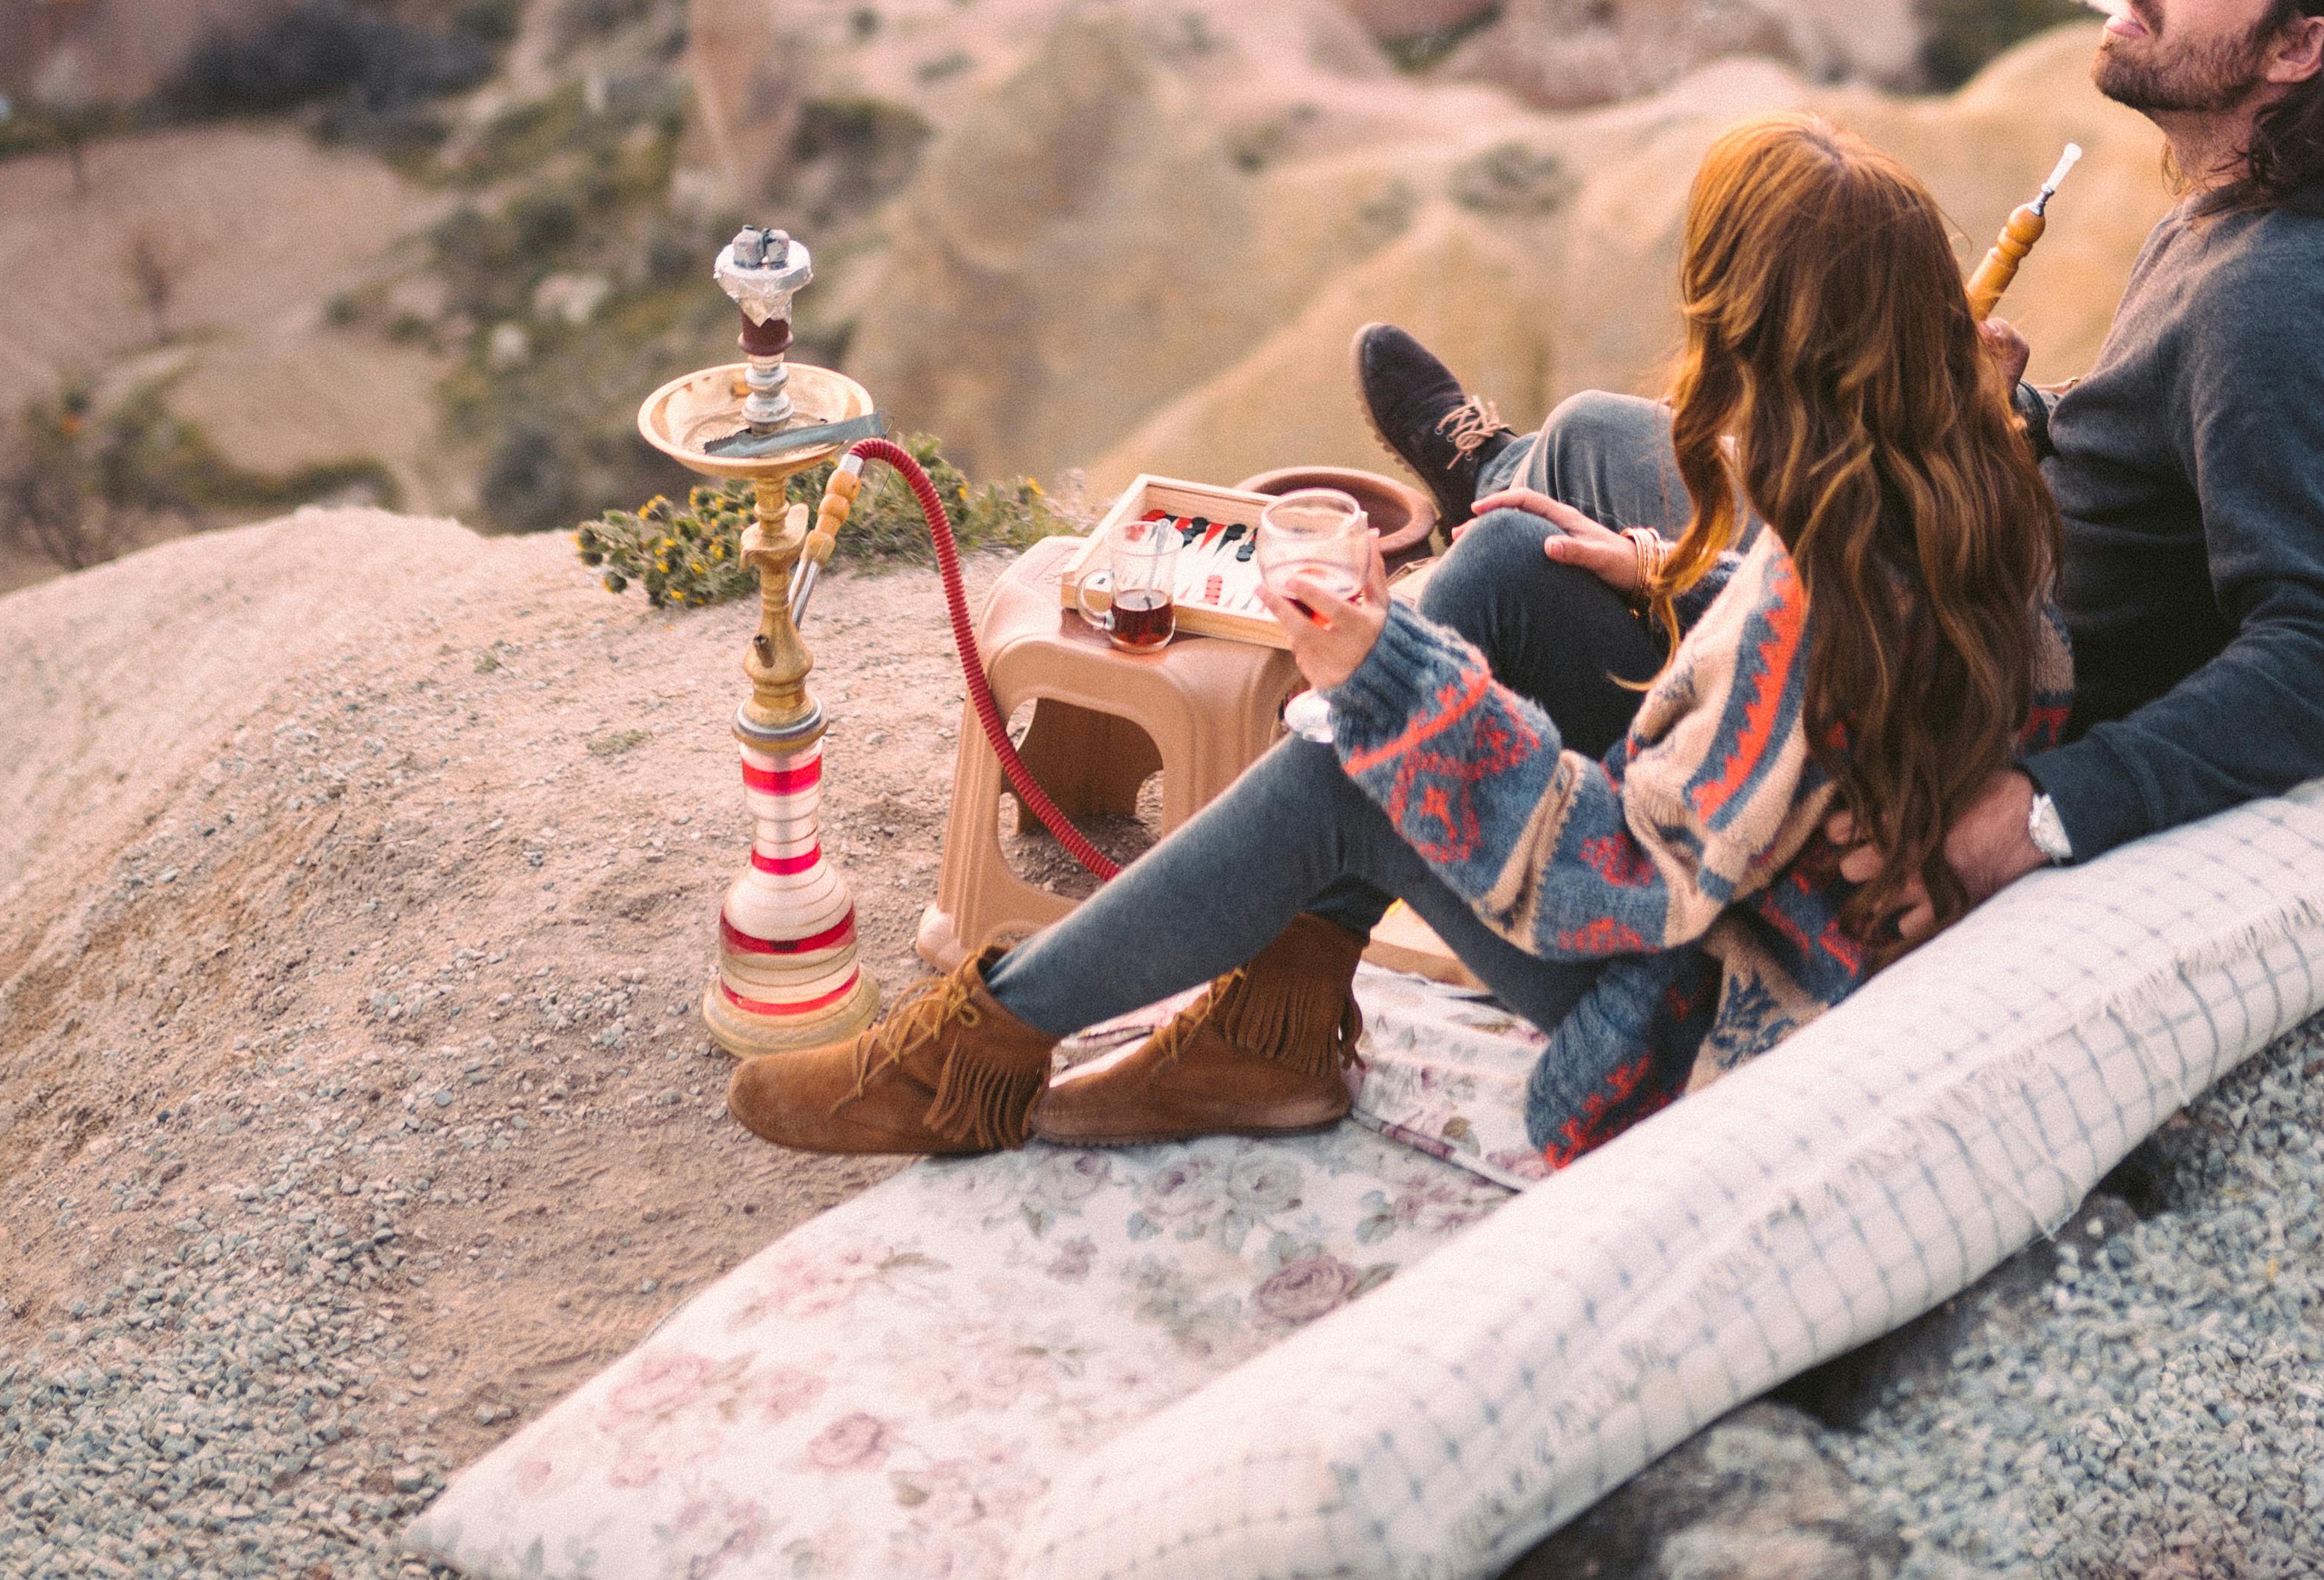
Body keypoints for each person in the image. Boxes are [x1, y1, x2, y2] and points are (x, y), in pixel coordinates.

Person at [724, 117, 2069, 1168]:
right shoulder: (1973, 485)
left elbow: (1614, 885)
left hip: (1701, 1024)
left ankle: (977, 1051)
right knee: (1503, 557)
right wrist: (1672, 577)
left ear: (1742, 328)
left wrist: (1382, 673)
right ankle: (1276, 1023)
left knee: (1344, 772)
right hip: (1780, 909)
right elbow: (1824, 712)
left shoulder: (1808, 600)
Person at [1371, 0, 2324, 941]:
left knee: (1566, 479)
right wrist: (2015, 417)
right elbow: (2170, 479)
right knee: (1602, 441)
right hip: (1980, 564)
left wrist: (2035, 812)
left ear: (2299, 49)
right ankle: (1502, 480)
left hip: (1955, 653)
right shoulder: (2316, 214)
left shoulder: (2276, 298)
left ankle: (1486, 519)